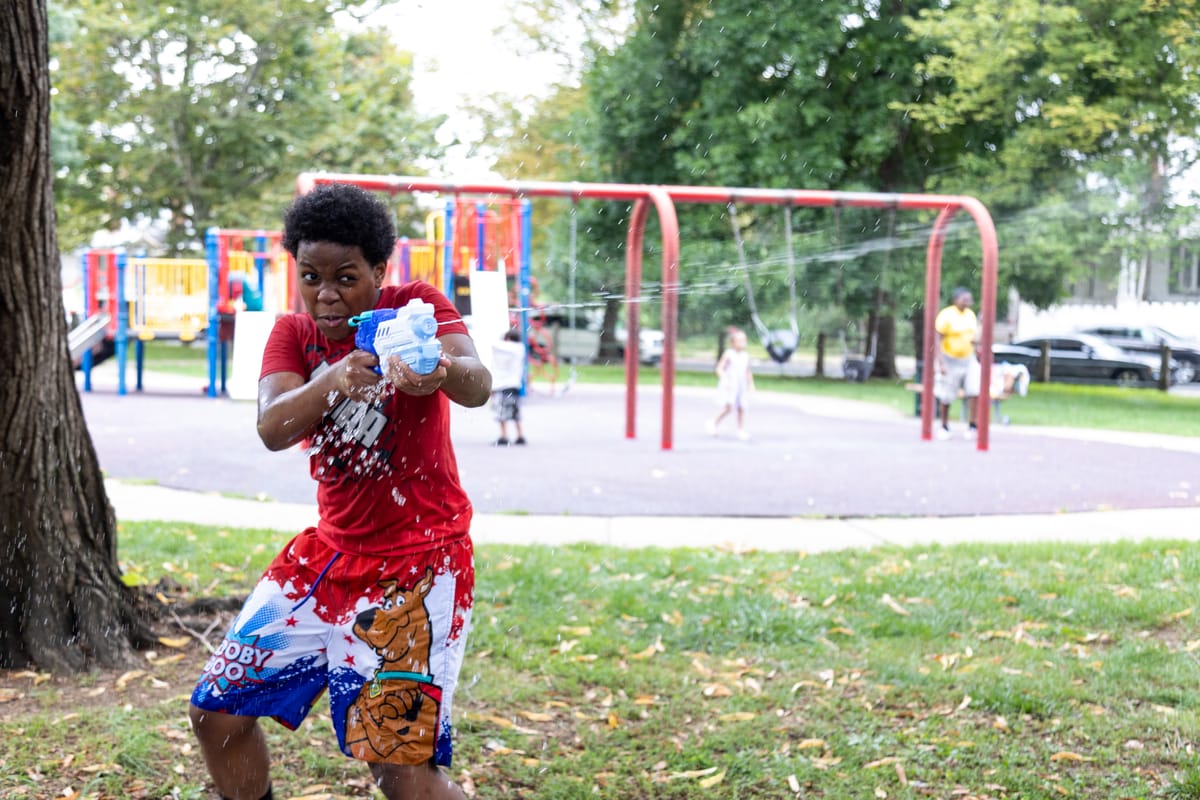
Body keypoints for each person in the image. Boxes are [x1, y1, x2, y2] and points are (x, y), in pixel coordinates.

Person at [188, 182, 492, 800]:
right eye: (311, 276)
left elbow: (477, 382)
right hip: (326, 559)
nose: (327, 294)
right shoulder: (292, 335)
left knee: (397, 767)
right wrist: (332, 378)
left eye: (347, 277)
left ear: (380, 270)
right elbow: (272, 426)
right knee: (217, 716)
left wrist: (438, 369)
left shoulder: (416, 308)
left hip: (419, 567)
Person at [933, 287, 980, 439]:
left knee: (974, 390)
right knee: (946, 394)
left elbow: (973, 336)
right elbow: (937, 338)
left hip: (968, 358)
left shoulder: (970, 315)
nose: (967, 302)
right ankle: (944, 425)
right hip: (949, 359)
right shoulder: (947, 315)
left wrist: (976, 343)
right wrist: (940, 362)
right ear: (956, 300)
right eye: (964, 299)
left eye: (969, 300)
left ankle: (973, 425)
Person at [708, 327, 754, 440]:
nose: (743, 343)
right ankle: (713, 422)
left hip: (741, 385)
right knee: (729, 407)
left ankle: (740, 429)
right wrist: (724, 379)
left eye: (744, 340)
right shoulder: (729, 354)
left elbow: (747, 371)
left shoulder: (745, 356)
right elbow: (719, 369)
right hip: (731, 385)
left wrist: (751, 384)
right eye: (740, 341)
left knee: (741, 407)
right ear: (733, 343)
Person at [490, 327, 527, 445]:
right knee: (515, 411)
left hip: (502, 385)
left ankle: (504, 435)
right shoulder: (520, 349)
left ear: (508, 338)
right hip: (514, 385)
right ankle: (520, 435)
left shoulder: (505, 347)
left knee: (502, 411)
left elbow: (493, 344)